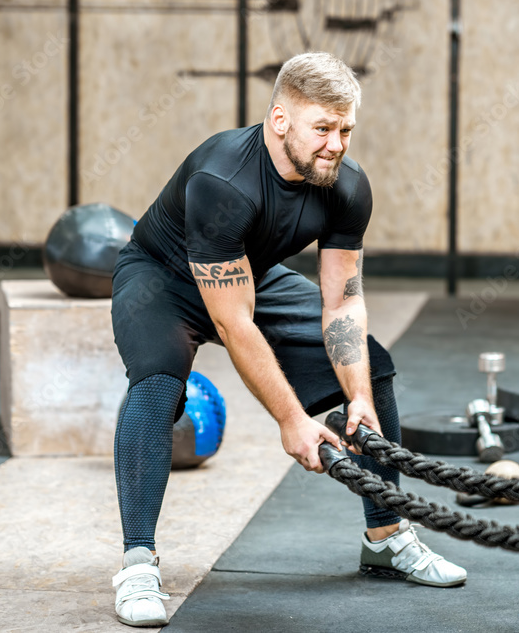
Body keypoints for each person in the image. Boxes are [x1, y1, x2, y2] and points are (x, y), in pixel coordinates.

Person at [109, 51, 466, 627]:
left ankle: (386, 535)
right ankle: (137, 563)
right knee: (156, 381)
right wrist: (291, 418)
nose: (337, 143)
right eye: (322, 128)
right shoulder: (223, 180)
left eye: (346, 129)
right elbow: (233, 323)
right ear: (280, 121)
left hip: (249, 271)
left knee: (371, 367)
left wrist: (359, 399)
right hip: (161, 278)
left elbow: (341, 302)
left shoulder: (347, 188)